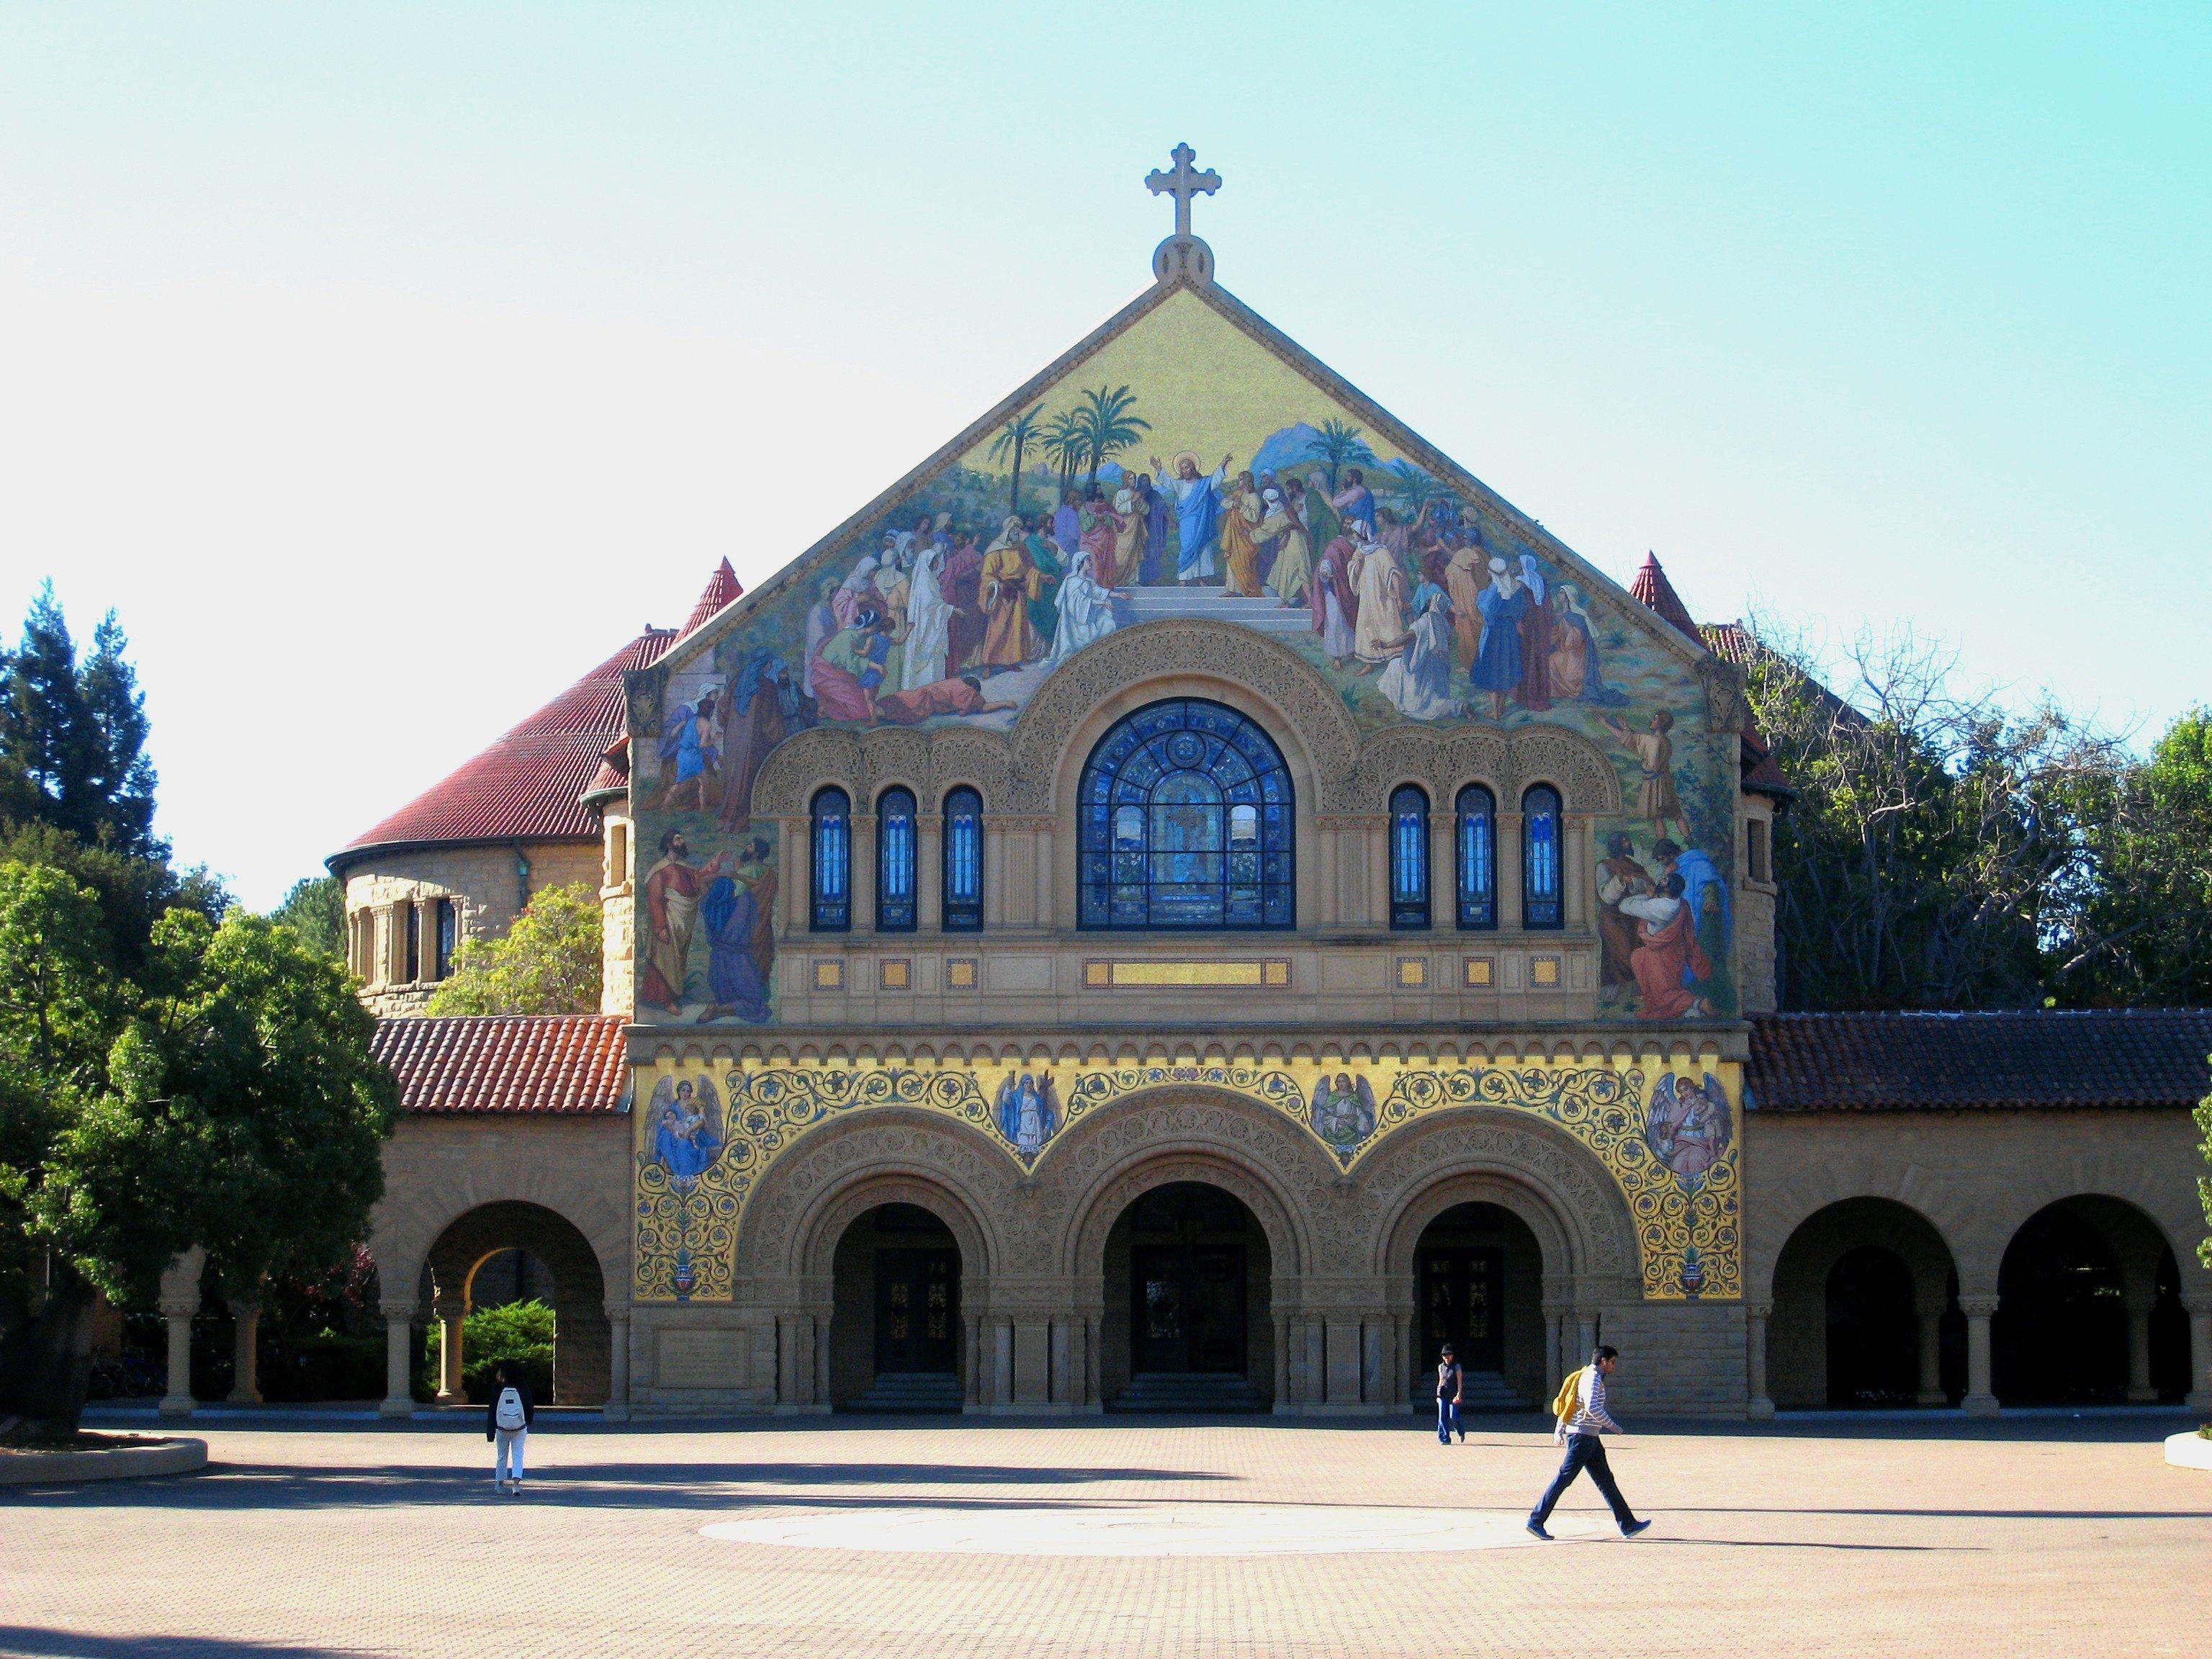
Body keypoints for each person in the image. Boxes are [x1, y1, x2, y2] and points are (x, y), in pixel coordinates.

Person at [1527, 1344, 1649, 1539]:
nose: (1613, 1367)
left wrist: (1560, 1430)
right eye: (1612, 1362)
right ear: (1603, 1361)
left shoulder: (1588, 1376)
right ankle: (1536, 1520)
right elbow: (1592, 1407)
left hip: (1589, 1438)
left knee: (1606, 1481)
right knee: (1564, 1479)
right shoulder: (1592, 1378)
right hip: (1582, 1438)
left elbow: (1571, 1403)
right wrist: (1613, 1426)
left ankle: (1628, 1524)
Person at [1151, 450, 1232, 583]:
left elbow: (1214, 481)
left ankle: (1200, 576)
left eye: (1187, 467)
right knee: (1187, 547)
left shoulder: (1202, 484)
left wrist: (1223, 465)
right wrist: (1159, 469)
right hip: (1187, 523)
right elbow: (1168, 482)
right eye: (1182, 469)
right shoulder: (1180, 485)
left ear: (1193, 468)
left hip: (1201, 522)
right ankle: (1183, 577)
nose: (1185, 471)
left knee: (1202, 547)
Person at [486, 1361, 535, 1496]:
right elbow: (529, 1406)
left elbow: (492, 1410)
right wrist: (528, 1421)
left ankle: (500, 1484)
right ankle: (516, 1485)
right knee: (518, 1454)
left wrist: (490, 1431)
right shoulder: (522, 1387)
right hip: (519, 1428)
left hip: (502, 1428)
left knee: (502, 1456)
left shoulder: (498, 1388)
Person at [1435, 1344, 1465, 1444]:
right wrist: (1438, 1395)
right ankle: (1444, 1439)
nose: (1446, 1357)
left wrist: (1459, 1394)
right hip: (1443, 1394)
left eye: (1448, 1355)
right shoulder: (1440, 1367)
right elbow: (1441, 1380)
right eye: (1444, 1355)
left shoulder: (1457, 1367)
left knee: (1454, 1417)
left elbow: (1460, 1381)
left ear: (1452, 1355)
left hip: (1453, 1395)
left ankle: (1460, 1432)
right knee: (1442, 1417)